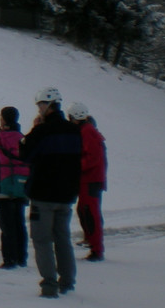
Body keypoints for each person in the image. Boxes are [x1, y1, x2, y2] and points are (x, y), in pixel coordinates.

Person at [21, 86, 82, 299]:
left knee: (42, 240)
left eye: (40, 105)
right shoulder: (74, 130)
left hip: (43, 193)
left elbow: (25, 154)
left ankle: (49, 284)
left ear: (48, 105)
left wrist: (32, 131)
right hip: (66, 194)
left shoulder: (42, 131)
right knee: (62, 238)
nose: (38, 110)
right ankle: (67, 281)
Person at [0, 106, 29, 269]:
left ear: (3, 119)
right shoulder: (22, 137)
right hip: (20, 185)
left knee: (6, 225)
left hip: (2, 184)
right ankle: (21, 257)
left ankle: (9, 259)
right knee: (19, 222)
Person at [67, 102, 106, 262]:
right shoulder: (87, 130)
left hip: (90, 180)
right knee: (85, 211)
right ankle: (93, 244)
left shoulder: (87, 132)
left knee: (90, 213)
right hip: (90, 179)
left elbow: (92, 157)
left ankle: (96, 249)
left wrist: (76, 166)